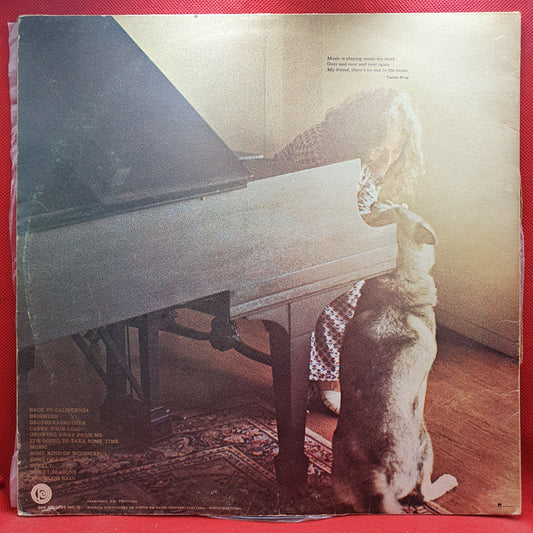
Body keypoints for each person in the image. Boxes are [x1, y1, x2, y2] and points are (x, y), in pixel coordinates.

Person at [273, 87, 425, 414]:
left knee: (387, 274)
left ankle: (356, 365)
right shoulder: (324, 152)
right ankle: (326, 376)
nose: (387, 160)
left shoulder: (364, 155)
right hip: (283, 228)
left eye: (395, 150)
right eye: (380, 149)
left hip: (326, 226)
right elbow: (322, 215)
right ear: (362, 136)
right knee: (341, 287)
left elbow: (361, 206)